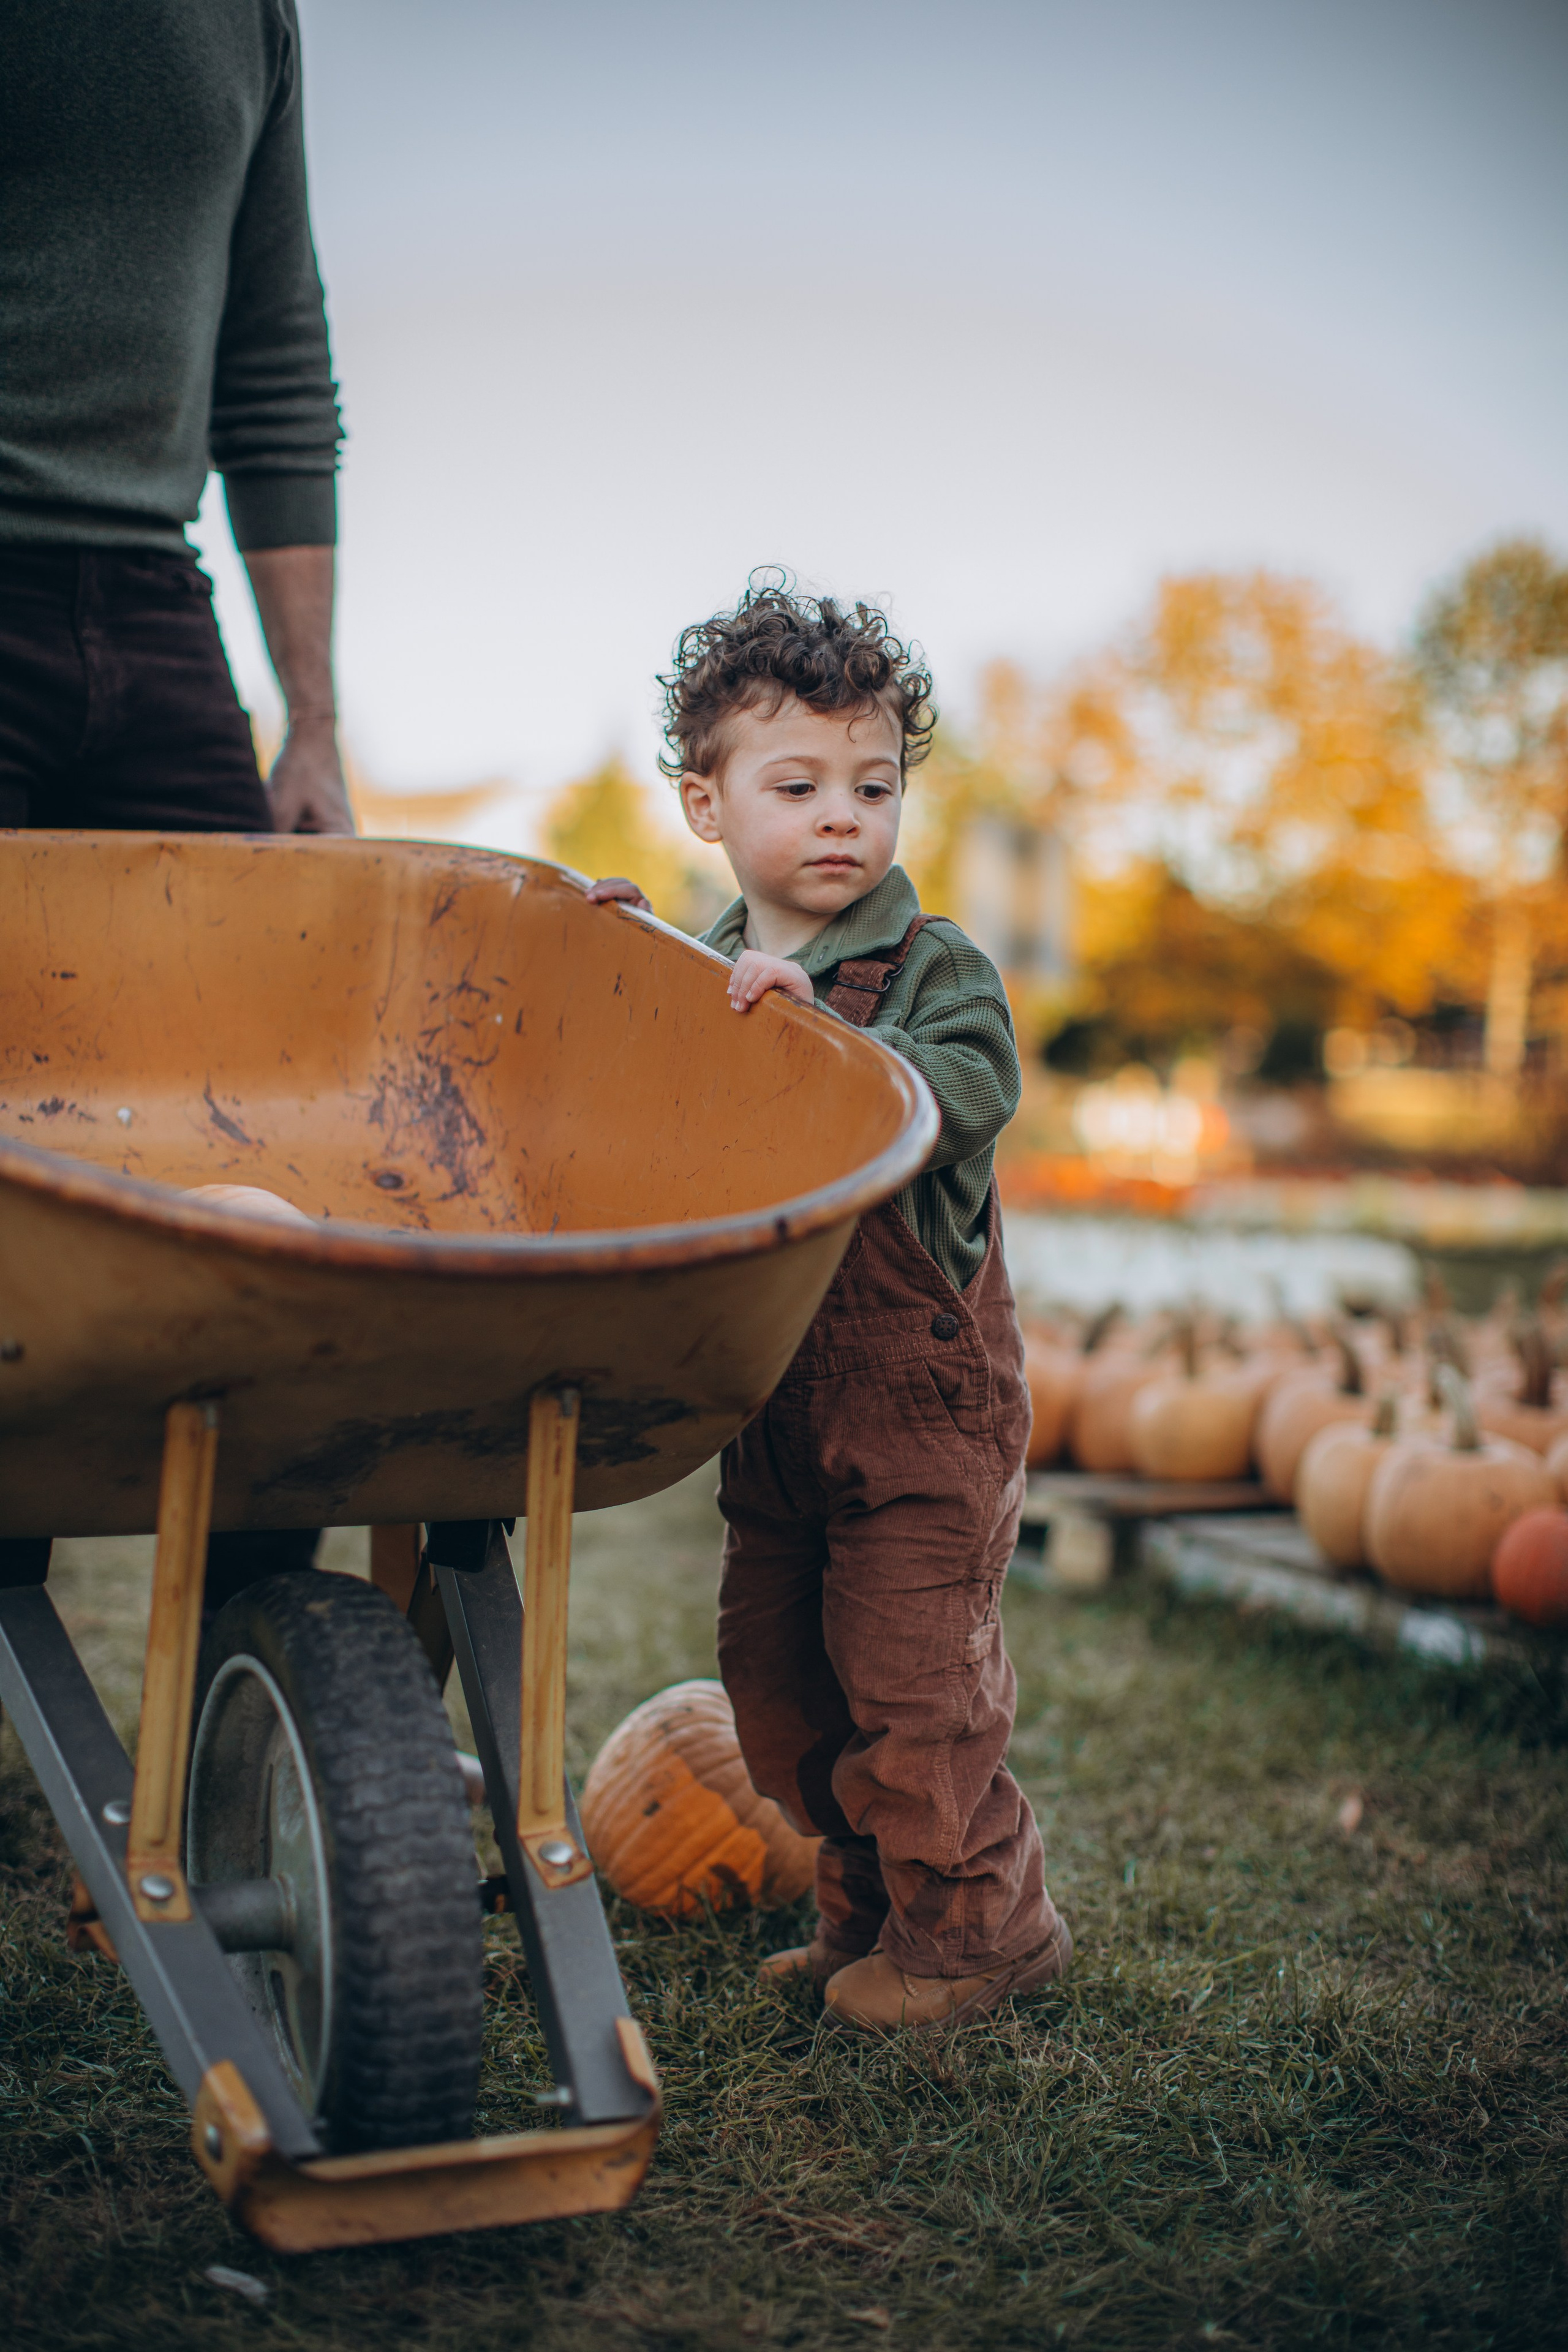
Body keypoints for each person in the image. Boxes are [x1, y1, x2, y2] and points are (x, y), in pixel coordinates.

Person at [589, 582, 1072, 2033]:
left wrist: (812, 1019)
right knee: (785, 1689)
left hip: (922, 1413)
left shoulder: (935, 975)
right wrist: (616, 970)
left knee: (913, 1685)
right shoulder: (710, 973)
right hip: (779, 1413)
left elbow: (964, 1090)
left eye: (872, 786)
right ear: (705, 805)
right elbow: (632, 1100)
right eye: (793, 786)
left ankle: (983, 1933)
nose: (839, 816)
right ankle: (862, 1918)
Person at [0, 0, 349, 1609]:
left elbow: (274, 366)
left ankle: (250, 1672)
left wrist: (313, 727)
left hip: (154, 609)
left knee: (260, 1126)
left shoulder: (247, 21)